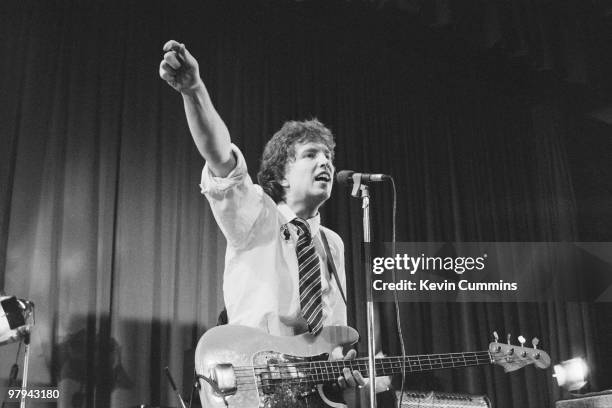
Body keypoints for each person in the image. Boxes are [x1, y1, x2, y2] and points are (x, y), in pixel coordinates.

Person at [159, 40, 384, 406]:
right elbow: (220, 157)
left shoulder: (333, 243)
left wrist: (342, 368)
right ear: (281, 174)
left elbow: (335, 338)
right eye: (311, 155)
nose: (325, 162)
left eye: (328, 155)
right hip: (253, 383)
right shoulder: (256, 214)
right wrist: (194, 90)